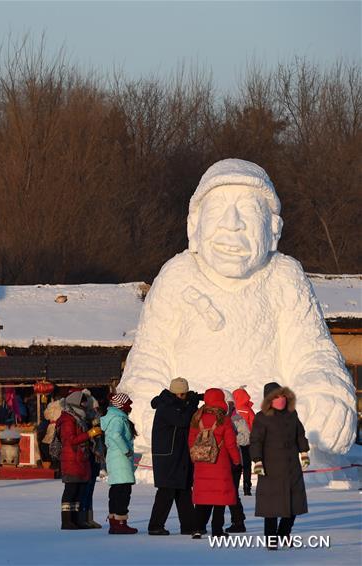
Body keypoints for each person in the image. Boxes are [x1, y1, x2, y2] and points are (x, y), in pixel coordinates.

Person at [118, 159, 355, 462]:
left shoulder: (284, 275)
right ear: (194, 225)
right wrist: (147, 405)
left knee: (319, 420)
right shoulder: (177, 276)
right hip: (194, 423)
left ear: (273, 229)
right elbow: (149, 360)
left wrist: (327, 395)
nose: (233, 222)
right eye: (218, 209)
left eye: (249, 210)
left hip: (269, 425)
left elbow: (314, 353)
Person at [250, 382, 310, 550]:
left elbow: (300, 434)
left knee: (294, 504)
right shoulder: (262, 417)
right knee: (271, 506)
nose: (280, 399)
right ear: (269, 399)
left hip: (292, 467)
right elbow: (255, 441)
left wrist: (304, 452)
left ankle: (284, 534)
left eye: (282, 395)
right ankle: (271, 539)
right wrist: (257, 461)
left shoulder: (292, 413)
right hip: (271, 468)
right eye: (276, 397)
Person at [147, 377, 202, 536]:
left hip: (178, 454)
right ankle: (155, 525)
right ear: (175, 393)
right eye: (182, 395)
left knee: (184, 489)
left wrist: (192, 399)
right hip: (168, 457)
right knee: (166, 491)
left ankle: (189, 526)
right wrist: (192, 403)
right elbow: (182, 420)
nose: (184, 397)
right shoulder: (166, 406)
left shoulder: (176, 404)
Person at [188, 388, 241, 539]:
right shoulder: (224, 420)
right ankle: (217, 530)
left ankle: (198, 528)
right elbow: (231, 444)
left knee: (203, 498)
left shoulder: (197, 418)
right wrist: (236, 461)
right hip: (220, 464)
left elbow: (191, 440)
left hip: (201, 463)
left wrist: (195, 456)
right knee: (220, 499)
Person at [58, 390, 103, 529]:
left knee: (78, 490)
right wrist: (89, 434)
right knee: (70, 490)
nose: (84, 404)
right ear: (76, 403)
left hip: (79, 459)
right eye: (83, 402)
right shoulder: (68, 419)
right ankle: (66, 521)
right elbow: (70, 440)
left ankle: (76, 519)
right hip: (71, 459)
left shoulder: (79, 418)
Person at [101, 393, 139, 534]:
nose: (130, 407)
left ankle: (114, 521)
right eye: (128, 404)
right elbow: (115, 435)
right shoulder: (118, 419)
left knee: (117, 490)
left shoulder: (115, 417)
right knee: (123, 492)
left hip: (116, 459)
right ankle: (120, 522)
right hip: (120, 459)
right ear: (122, 406)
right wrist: (127, 450)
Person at [223, 389, 250, 533]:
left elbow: (246, 438)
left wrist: (230, 439)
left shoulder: (238, 419)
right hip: (220, 461)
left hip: (234, 461)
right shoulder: (218, 419)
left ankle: (238, 520)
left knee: (232, 491)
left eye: (228, 403)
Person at [77, 389, 104, 529]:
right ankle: (82, 517)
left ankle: (89, 517)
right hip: (86, 456)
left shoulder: (94, 419)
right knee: (85, 488)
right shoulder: (81, 420)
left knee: (91, 487)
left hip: (94, 456)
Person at [233, 387, 255, 496]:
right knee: (247, 465)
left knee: (236, 464)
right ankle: (247, 486)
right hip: (247, 441)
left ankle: (234, 487)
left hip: (235, 441)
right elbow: (254, 425)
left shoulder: (232, 410)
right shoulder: (248, 410)